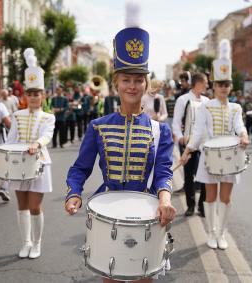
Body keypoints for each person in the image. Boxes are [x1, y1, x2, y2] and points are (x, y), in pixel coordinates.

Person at [64, 5, 176, 282]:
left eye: (139, 80)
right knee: (111, 275)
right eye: (126, 79)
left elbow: (164, 171)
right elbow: (80, 169)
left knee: (143, 276)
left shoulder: (160, 131)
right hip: (107, 210)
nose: (132, 86)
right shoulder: (98, 127)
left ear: (146, 85)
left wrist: (165, 200)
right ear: (116, 84)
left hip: (148, 211)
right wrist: (74, 192)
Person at [180, 39, 249, 250]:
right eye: (220, 84)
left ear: (231, 86)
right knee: (210, 196)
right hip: (209, 157)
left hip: (229, 157)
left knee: (225, 198)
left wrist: (244, 136)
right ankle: (210, 232)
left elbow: (240, 127)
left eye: (226, 84)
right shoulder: (205, 107)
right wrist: (187, 151)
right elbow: (198, 133)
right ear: (214, 86)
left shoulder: (236, 108)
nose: (223, 88)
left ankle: (221, 233)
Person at [6, 48, 55, 259]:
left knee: (35, 206)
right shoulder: (17, 115)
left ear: (43, 95)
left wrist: (36, 143)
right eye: (31, 94)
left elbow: (47, 136)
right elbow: (10, 139)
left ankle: (37, 243)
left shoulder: (48, 117)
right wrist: (5, 158)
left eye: (38, 94)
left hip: (39, 163)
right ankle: (25, 241)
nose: (34, 97)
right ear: (26, 96)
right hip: (18, 164)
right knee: (21, 205)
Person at [172, 73, 210, 217]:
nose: (207, 85)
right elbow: (176, 121)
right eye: (205, 82)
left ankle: (202, 206)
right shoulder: (183, 99)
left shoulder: (207, 101)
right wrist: (180, 137)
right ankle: (190, 205)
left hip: (204, 144)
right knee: (189, 176)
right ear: (198, 83)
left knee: (205, 175)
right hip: (188, 143)